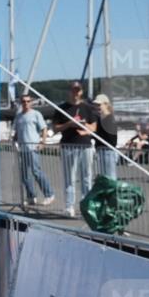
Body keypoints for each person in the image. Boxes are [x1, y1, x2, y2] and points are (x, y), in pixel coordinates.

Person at [53, 81, 97, 217]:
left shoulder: (88, 108)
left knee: (86, 177)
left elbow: (94, 127)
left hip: (85, 146)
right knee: (69, 178)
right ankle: (69, 206)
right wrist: (69, 123)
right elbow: (55, 128)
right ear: (70, 91)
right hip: (68, 146)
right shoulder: (61, 108)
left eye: (78, 90)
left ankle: (85, 206)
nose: (75, 93)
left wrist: (83, 127)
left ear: (81, 91)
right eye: (73, 90)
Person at [12, 94, 54, 207]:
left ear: (31, 102)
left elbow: (44, 128)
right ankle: (31, 196)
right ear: (21, 103)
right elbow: (17, 131)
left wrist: (43, 142)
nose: (26, 103)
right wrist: (13, 140)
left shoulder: (36, 114)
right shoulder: (19, 116)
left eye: (28, 101)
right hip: (22, 148)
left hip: (33, 147)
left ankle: (49, 194)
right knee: (25, 174)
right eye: (23, 101)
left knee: (36, 171)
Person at [92, 94, 119, 180]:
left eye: (99, 105)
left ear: (106, 104)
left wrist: (94, 134)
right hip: (101, 150)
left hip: (108, 151)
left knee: (110, 177)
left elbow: (112, 139)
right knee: (105, 177)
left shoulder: (109, 119)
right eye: (96, 105)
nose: (97, 107)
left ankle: (113, 193)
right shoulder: (100, 118)